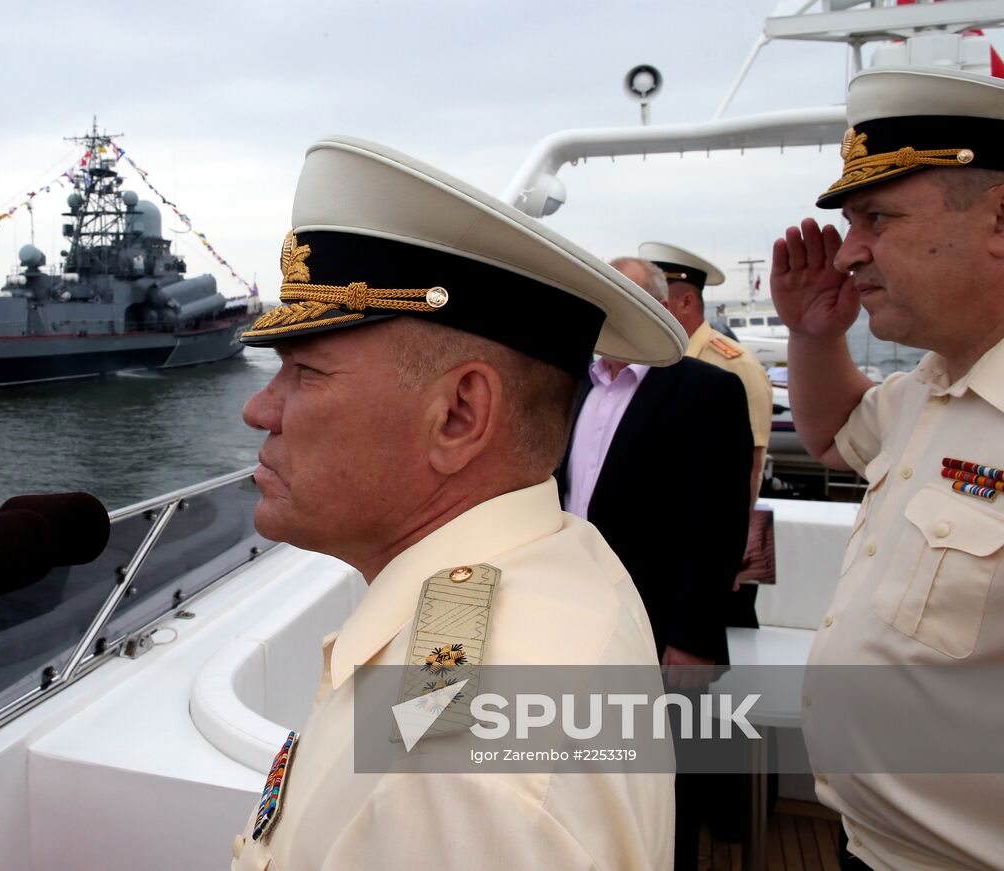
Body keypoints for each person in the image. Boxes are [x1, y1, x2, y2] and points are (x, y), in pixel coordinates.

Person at [229, 136, 681, 870]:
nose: (259, 409)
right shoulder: (558, 555)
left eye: (306, 372)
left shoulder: (453, 775)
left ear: (460, 416)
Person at [770, 65, 1004, 869]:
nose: (848, 253)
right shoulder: (931, 392)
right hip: (869, 845)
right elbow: (834, 433)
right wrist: (813, 334)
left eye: (878, 217)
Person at [557, 256, 753, 871]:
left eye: (622, 298)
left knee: (669, 781)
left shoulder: (708, 390)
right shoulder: (573, 384)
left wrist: (693, 639)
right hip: (575, 613)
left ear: (658, 309)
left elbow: (721, 523)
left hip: (663, 626)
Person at [639, 242, 773, 501]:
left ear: (686, 302)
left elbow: (750, 467)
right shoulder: (652, 360)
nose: (645, 309)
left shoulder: (736, 366)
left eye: (654, 301)